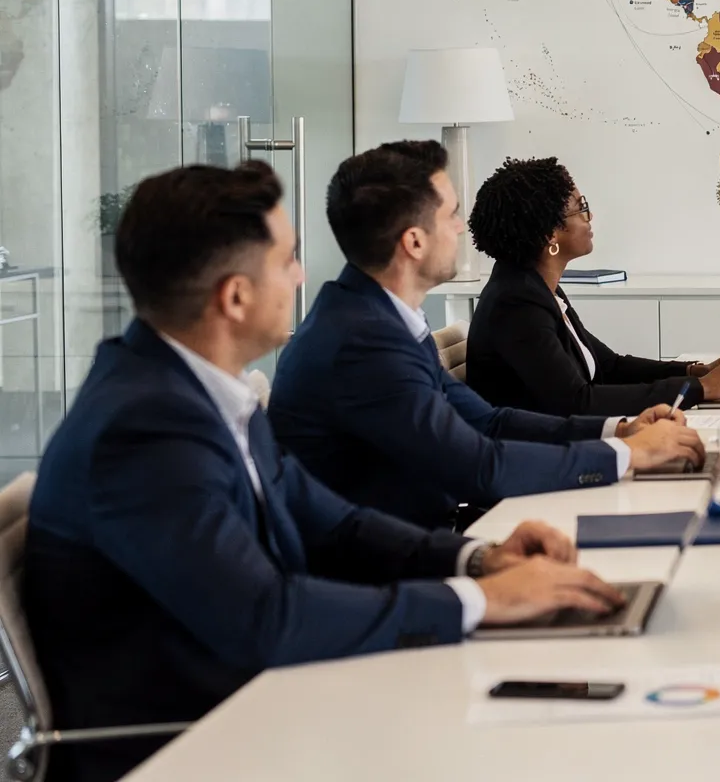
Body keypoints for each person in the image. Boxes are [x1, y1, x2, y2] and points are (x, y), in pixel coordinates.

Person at [25, 164, 628, 782]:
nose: (301, 276)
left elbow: (334, 524)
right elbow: (267, 618)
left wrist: (477, 561)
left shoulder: (200, 388)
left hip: (271, 694)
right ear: (234, 296)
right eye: (287, 260)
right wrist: (479, 601)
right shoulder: (144, 431)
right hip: (205, 740)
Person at [270, 141, 705, 529]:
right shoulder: (362, 343)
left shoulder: (383, 318)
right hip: (389, 572)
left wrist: (620, 432)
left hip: (430, 541)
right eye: (451, 215)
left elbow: (487, 421)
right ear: (415, 242)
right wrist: (628, 455)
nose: (462, 229)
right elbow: (480, 465)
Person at [463, 157, 720, 418]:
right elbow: (578, 402)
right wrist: (701, 389)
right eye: (580, 208)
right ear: (549, 234)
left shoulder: (536, 287)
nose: (589, 216)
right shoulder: (516, 304)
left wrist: (695, 372)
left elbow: (609, 366)